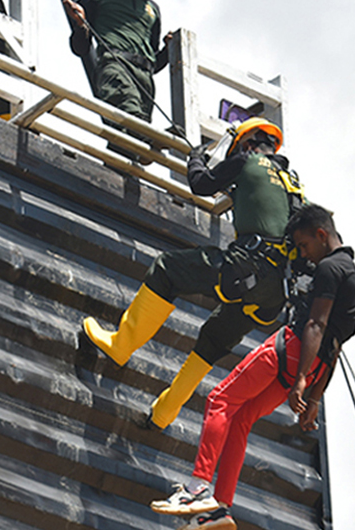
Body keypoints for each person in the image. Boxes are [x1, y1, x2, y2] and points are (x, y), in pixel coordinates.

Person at [81, 118, 306, 429]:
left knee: (167, 270)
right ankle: (164, 413)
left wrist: (196, 158)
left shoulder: (246, 160)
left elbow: (201, 184)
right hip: (274, 296)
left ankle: (121, 345)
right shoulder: (294, 186)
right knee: (214, 339)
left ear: (248, 143)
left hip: (245, 267)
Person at [148, 205, 355, 530]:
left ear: (322, 234)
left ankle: (196, 489)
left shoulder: (330, 268)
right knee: (242, 419)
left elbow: (316, 326)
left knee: (220, 400)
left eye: (304, 245)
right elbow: (336, 345)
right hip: (315, 365)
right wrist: (315, 395)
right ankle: (219, 510)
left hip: (292, 352)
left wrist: (302, 380)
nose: (303, 253)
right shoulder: (352, 275)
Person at [62, 0, 179, 151]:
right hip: (115, 66)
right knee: (130, 113)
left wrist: (167, 50)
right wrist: (80, 25)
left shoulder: (152, 10)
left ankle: (120, 170)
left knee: (126, 144)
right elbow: (80, 48)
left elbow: (153, 62)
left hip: (144, 80)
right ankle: (147, 142)